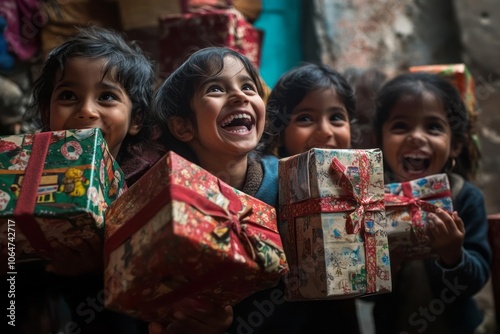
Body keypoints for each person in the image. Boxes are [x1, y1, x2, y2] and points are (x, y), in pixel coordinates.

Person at [18, 25, 164, 333]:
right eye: (68, 95)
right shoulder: (23, 172)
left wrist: (99, 271)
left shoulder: (147, 185)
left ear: (135, 118)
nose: (86, 111)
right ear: (47, 112)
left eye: (107, 97)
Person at [227, 62, 360, 334]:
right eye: (305, 118)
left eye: (336, 117)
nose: (325, 131)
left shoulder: (357, 183)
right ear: (280, 129)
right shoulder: (268, 182)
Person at [151, 46, 275, 333]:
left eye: (247, 86)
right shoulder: (173, 205)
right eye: (216, 89)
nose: (239, 95)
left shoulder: (289, 182)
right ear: (183, 127)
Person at [371, 71, 491, 334]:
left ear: (455, 145)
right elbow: (365, 295)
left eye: (433, 127)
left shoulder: (466, 198)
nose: (417, 136)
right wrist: (381, 264)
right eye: (400, 126)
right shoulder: (370, 203)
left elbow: (477, 279)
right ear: (380, 140)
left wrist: (453, 255)